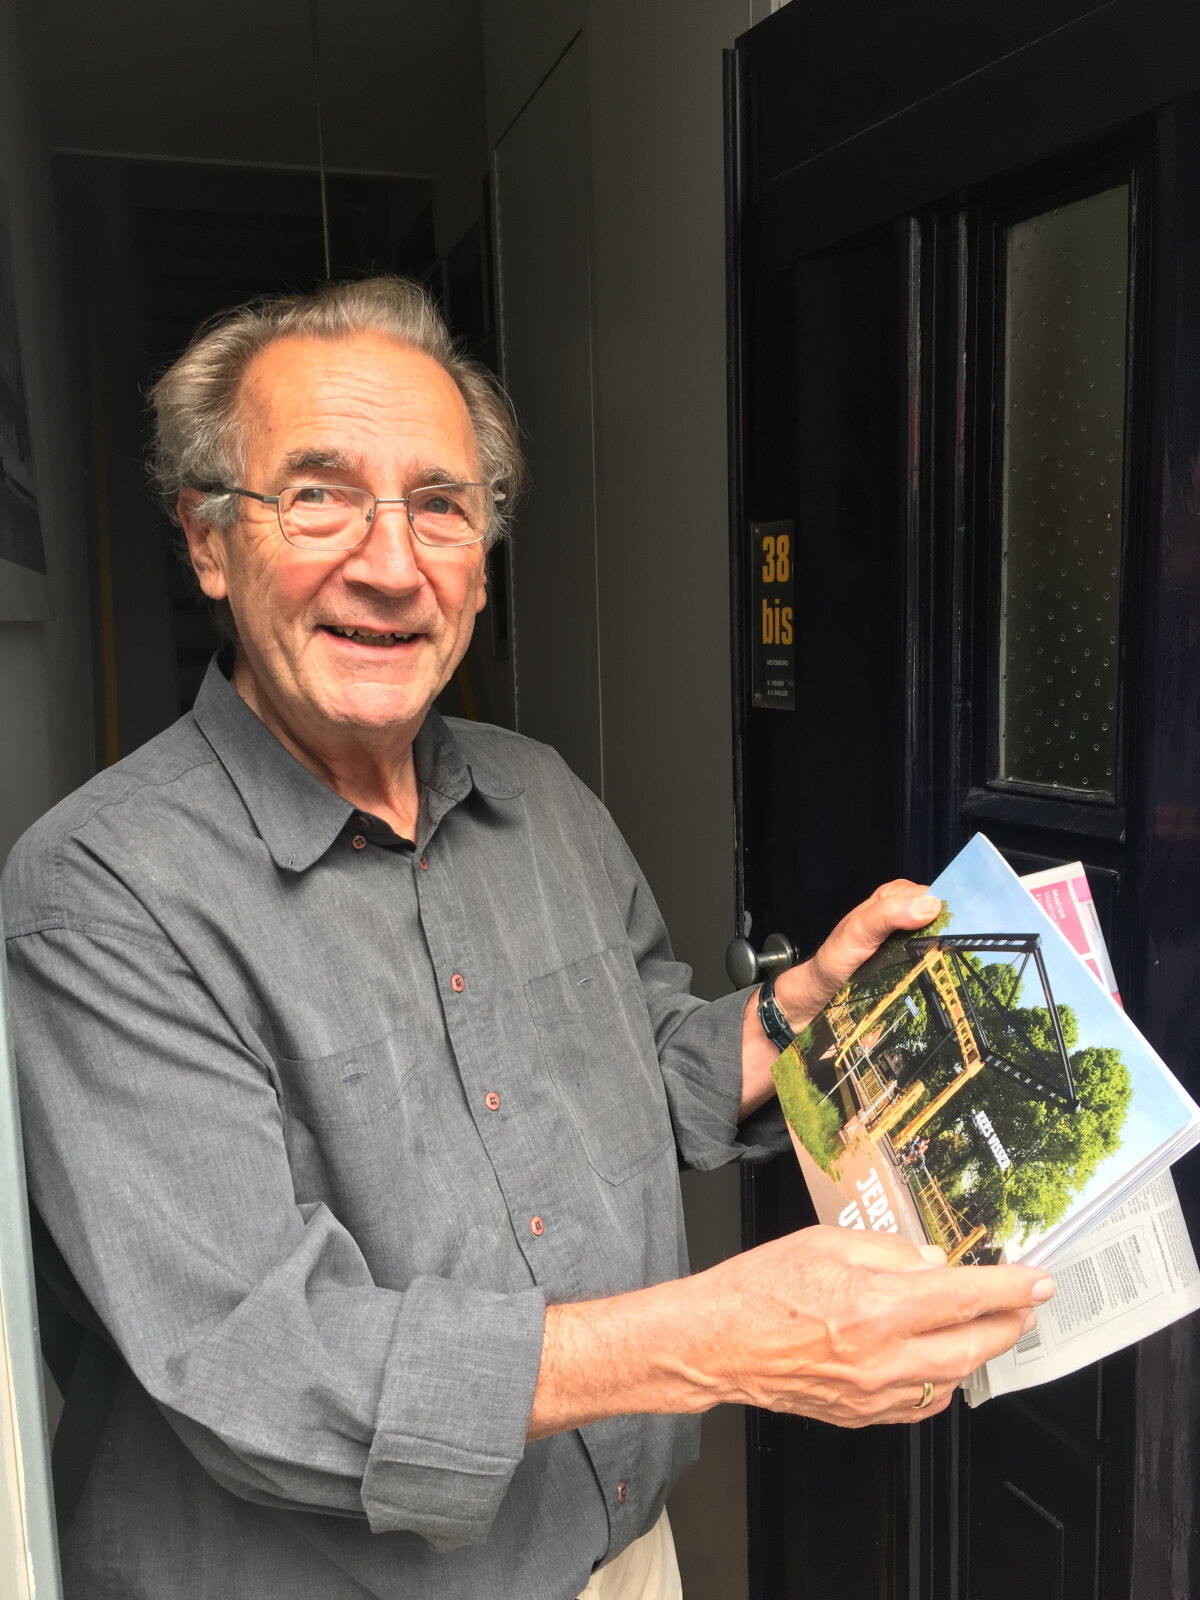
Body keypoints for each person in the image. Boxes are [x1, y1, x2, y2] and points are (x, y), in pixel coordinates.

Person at [1, 277, 1052, 1600]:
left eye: (441, 506)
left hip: (617, 1555)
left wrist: (791, 1014)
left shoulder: (540, 796)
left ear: (482, 563)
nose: (391, 564)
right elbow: (256, 1359)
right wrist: (719, 1341)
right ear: (210, 542)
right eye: (318, 495)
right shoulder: (105, 890)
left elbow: (636, 1079)